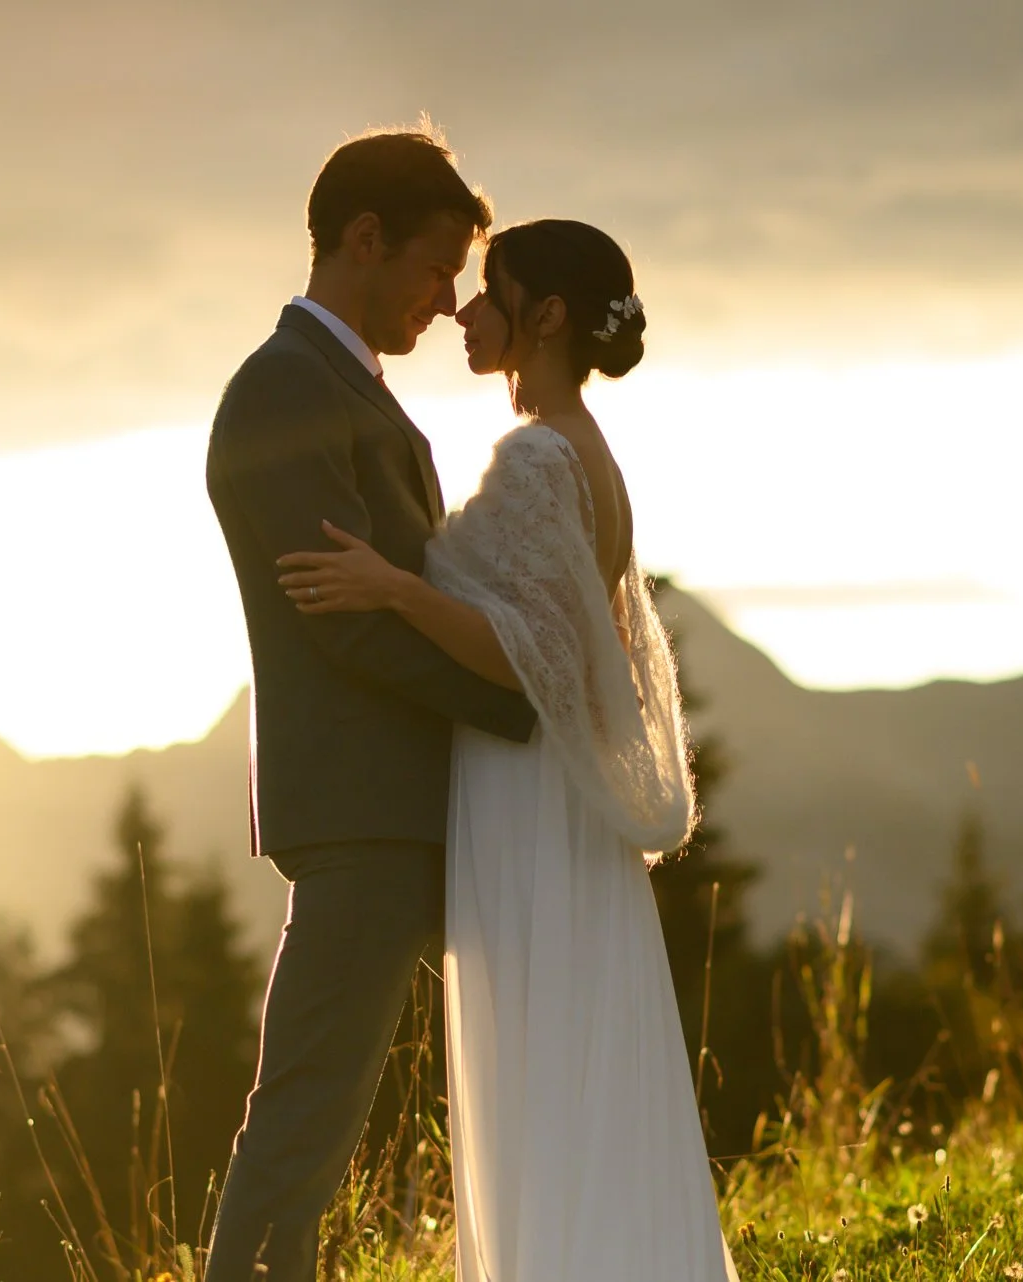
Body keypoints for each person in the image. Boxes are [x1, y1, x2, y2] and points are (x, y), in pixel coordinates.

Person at [276, 219, 739, 1281]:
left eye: (493, 293)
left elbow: (529, 653)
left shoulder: (536, 457)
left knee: (537, 1049)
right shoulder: (587, 452)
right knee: (574, 1048)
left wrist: (392, 588)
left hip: (529, 791)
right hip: (559, 797)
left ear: (549, 317)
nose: (465, 313)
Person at [202, 127, 538, 1282]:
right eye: (437, 266)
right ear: (363, 239)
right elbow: (342, 620)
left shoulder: (346, 389)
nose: (450, 301)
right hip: (363, 818)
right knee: (302, 1120)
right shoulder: (280, 391)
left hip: (412, 808)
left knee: (367, 1105)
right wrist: (522, 704)